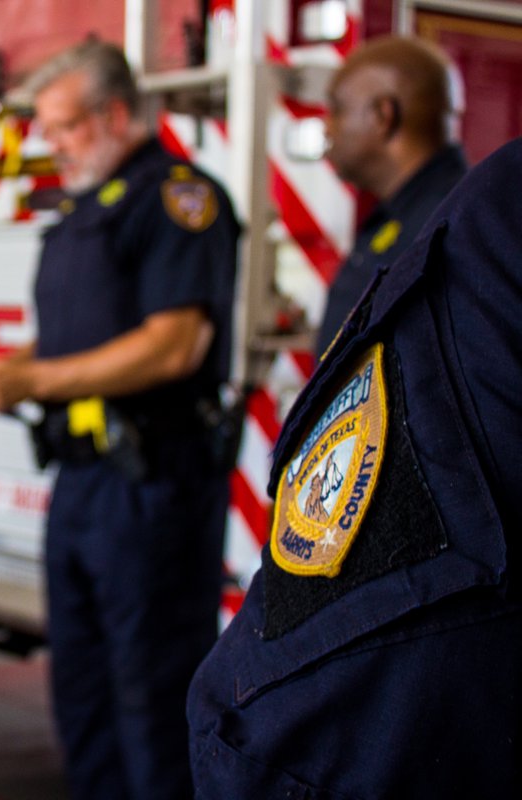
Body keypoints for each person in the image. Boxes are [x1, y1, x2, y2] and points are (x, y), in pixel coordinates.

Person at [0, 41, 238, 799]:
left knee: (152, 693)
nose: (50, 143)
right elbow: (75, 340)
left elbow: (173, 346)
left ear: (117, 114)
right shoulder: (83, 210)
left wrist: (30, 377)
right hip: (82, 480)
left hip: (151, 484)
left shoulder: (177, 198)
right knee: (83, 689)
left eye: (63, 127)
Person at [188, 137, 522, 797]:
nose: (330, 133)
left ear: (388, 117)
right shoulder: (416, 216)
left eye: (343, 114)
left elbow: (317, 731)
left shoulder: (490, 221)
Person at [315, 35, 466, 356]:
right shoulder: (405, 214)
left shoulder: (447, 226)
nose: (327, 128)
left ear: (384, 115)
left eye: (337, 110)